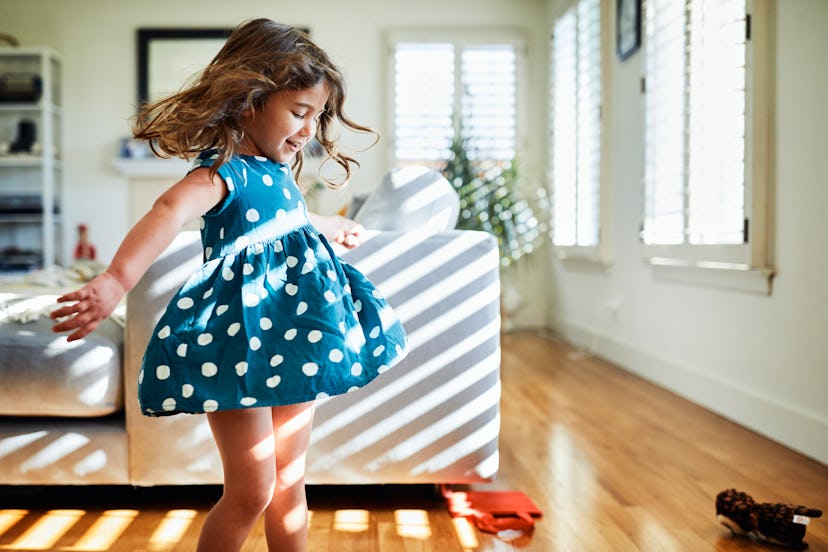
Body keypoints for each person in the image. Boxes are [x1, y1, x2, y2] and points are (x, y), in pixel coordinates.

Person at [50, 19, 407, 552]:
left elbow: (287, 224)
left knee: (289, 483)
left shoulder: (280, 174)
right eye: (299, 112)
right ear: (248, 101)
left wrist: (325, 228)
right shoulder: (222, 172)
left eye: (317, 116)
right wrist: (115, 280)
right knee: (253, 488)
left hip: (301, 335)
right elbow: (167, 212)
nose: (309, 130)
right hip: (242, 343)